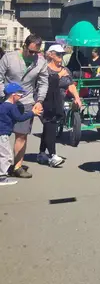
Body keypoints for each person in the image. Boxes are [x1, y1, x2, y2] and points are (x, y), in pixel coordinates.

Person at [0, 34, 48, 179]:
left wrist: (39, 100)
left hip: (26, 102)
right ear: (24, 46)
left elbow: (43, 82)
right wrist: (5, 93)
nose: (33, 54)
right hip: (6, 102)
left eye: (36, 52)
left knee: (22, 135)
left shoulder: (41, 62)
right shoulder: (9, 58)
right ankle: (3, 164)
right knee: (3, 135)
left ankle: (17, 167)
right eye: (30, 51)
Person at [38, 44, 83, 168]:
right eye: (58, 54)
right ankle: (52, 155)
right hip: (45, 101)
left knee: (49, 127)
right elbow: (45, 85)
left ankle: (42, 153)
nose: (61, 56)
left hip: (59, 102)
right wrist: (58, 76)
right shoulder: (44, 69)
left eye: (62, 54)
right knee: (50, 126)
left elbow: (71, 85)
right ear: (51, 55)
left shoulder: (65, 70)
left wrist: (77, 98)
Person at [1, 84, 43, 186]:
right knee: (6, 156)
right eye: (20, 94)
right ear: (13, 95)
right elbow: (19, 118)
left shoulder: (2, 105)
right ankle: (2, 177)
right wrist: (32, 113)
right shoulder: (11, 107)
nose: (21, 96)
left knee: (2, 154)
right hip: (3, 135)